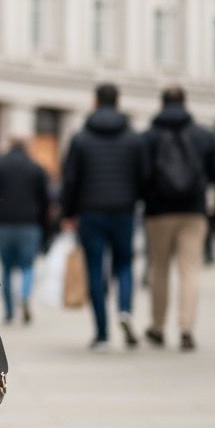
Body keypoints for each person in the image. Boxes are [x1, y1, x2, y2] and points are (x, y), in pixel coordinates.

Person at [141, 86, 215, 351]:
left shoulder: (149, 136)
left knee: (159, 269)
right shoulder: (203, 135)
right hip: (193, 212)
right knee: (190, 270)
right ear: (185, 103)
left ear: (162, 103)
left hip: (158, 212)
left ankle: (157, 327)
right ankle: (186, 329)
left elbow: (141, 174)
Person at [60, 84, 143, 351]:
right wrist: (135, 200)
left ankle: (102, 334)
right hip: (124, 211)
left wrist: (68, 212)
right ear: (118, 102)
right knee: (125, 264)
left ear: (95, 102)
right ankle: (125, 310)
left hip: (90, 211)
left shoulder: (81, 137)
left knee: (95, 268)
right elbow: (144, 174)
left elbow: (70, 179)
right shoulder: (132, 137)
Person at [0, 138, 49, 324]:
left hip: (4, 223)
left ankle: (9, 311)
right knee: (27, 265)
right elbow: (45, 200)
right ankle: (24, 295)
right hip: (29, 224)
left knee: (6, 269)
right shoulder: (36, 168)